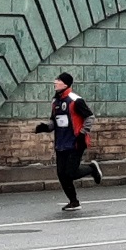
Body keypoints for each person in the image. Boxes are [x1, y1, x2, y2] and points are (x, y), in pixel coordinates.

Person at [36, 72, 103, 212]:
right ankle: (74, 202)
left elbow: (90, 117)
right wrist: (46, 127)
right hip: (61, 143)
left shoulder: (75, 100)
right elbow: (55, 121)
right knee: (61, 174)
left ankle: (92, 168)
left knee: (70, 173)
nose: (55, 82)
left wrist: (83, 133)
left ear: (65, 83)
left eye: (58, 80)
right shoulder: (55, 102)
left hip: (76, 142)